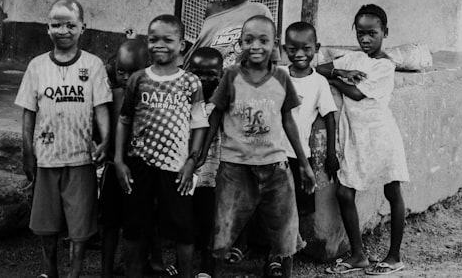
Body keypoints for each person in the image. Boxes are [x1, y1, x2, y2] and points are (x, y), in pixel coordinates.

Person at [201, 15, 316, 278]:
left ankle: (282, 271)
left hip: (275, 167)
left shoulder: (281, 78)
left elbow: (289, 121)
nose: (256, 46)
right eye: (249, 40)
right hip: (235, 167)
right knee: (223, 228)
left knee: (285, 230)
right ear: (241, 42)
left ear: (274, 44)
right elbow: (216, 115)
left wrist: (305, 165)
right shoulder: (230, 77)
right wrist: (201, 154)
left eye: (263, 40)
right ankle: (208, 272)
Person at [15, 0, 112, 278]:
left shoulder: (93, 65)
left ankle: (75, 272)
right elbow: (28, 113)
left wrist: (105, 141)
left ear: (83, 27)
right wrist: (26, 151)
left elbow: (101, 108)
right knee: (46, 223)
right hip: (46, 157)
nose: (63, 30)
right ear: (47, 28)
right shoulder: (36, 66)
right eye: (56, 24)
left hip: (81, 157)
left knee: (80, 224)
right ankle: (50, 270)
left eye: (70, 24)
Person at [114, 14, 208, 278]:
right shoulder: (138, 80)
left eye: (168, 40)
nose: (159, 45)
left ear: (182, 45)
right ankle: (133, 272)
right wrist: (120, 161)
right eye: (153, 39)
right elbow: (124, 120)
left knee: (182, 227)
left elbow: (200, 124)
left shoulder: (191, 82)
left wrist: (192, 161)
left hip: (176, 166)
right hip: (139, 164)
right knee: (134, 226)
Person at [318, 5, 409, 276]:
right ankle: (358, 255)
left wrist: (337, 82)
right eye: (360, 33)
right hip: (355, 137)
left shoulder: (385, 66)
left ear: (385, 32)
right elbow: (321, 68)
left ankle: (394, 256)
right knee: (345, 192)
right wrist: (339, 73)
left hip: (380, 135)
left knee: (392, 191)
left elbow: (357, 94)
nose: (365, 39)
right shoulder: (353, 59)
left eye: (372, 33)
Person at [100, 38, 150, 278]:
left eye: (134, 72)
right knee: (109, 223)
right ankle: (106, 272)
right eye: (121, 71)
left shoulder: (152, 96)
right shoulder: (111, 95)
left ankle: (134, 269)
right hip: (113, 165)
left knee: (137, 225)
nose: (127, 77)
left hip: (140, 168)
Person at [283, 21, 339, 219]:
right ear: (284, 49)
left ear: (316, 48)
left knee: (299, 207)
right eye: (292, 49)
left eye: (306, 48)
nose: (299, 54)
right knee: (273, 204)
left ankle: (294, 248)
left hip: (300, 155)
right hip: (273, 153)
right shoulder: (279, 76)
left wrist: (331, 154)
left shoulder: (318, 82)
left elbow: (329, 117)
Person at [184, 46, 224, 278]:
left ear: (221, 73)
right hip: (188, 170)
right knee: (187, 218)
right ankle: (186, 264)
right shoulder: (185, 98)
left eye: (211, 74)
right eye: (199, 73)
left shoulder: (222, 101)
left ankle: (207, 268)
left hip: (213, 172)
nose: (205, 79)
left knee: (210, 220)